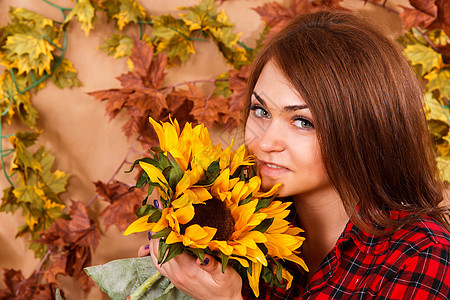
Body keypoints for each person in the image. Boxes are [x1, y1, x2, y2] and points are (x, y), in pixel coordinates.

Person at [138, 10, 450, 299]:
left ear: (363, 130)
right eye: (261, 110)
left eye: (302, 121)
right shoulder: (233, 228)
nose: (266, 142)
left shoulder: (422, 256)